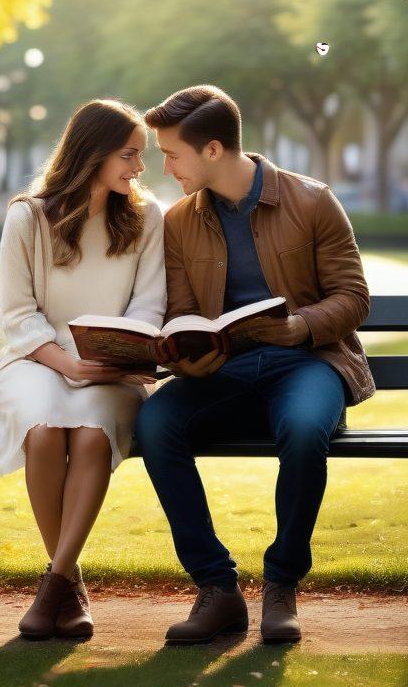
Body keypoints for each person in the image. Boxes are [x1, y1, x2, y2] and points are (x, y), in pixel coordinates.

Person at [137, 85, 375, 645]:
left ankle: (282, 584)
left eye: (172, 154)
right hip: (225, 372)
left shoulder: (312, 201)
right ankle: (217, 590)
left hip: (308, 363)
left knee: (301, 429)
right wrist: (188, 357)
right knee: (152, 423)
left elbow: (354, 297)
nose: (165, 166)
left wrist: (299, 325)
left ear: (213, 150)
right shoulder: (178, 222)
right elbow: (181, 311)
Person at [0, 99, 165, 640]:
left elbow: (149, 307)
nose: (138, 168)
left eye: (140, 156)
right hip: (33, 360)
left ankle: (54, 584)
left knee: (94, 436)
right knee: (46, 431)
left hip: (111, 368)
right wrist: (69, 365)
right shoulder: (27, 216)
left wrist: (107, 359)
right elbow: (16, 315)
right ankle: (69, 582)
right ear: (93, 153)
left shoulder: (148, 218)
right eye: (129, 155)